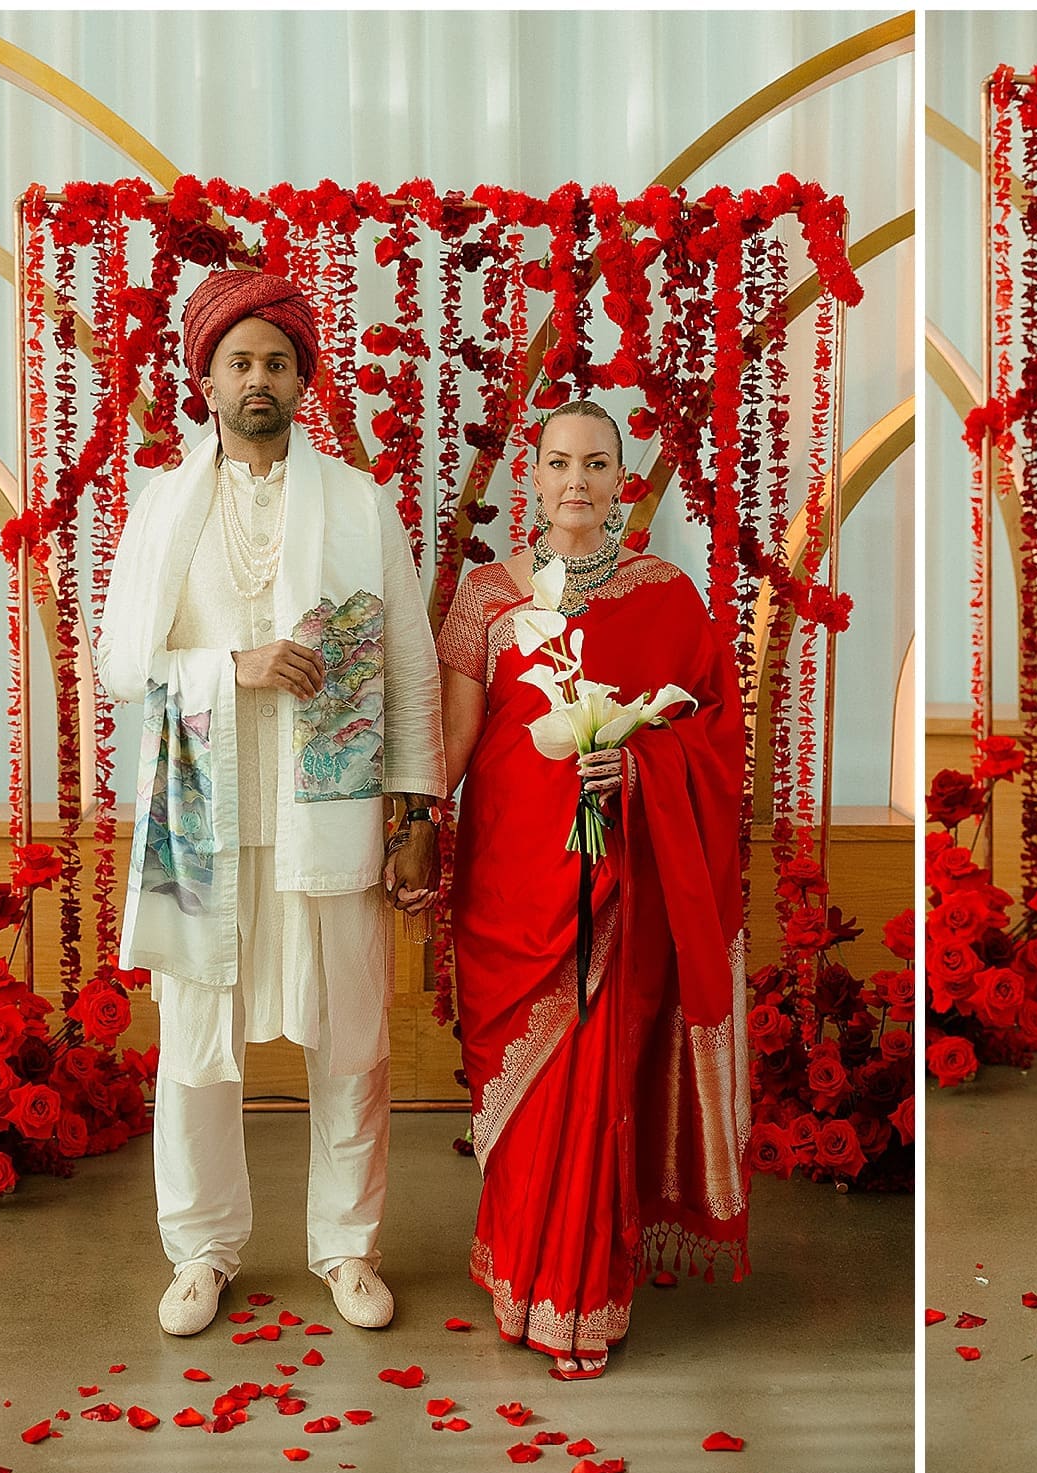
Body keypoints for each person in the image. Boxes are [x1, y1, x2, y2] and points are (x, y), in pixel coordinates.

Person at [98, 269, 445, 1337]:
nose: (259, 379)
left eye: (277, 362)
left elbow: (407, 662)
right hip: (201, 820)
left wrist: (418, 809)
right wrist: (231, 666)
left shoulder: (354, 501)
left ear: (303, 381)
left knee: (350, 1037)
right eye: (239, 361)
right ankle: (200, 1249)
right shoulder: (164, 506)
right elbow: (119, 664)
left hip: (326, 817)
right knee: (199, 1046)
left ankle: (348, 1247)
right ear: (203, 379)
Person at [436, 399, 751, 1376]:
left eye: (597, 463)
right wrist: (390, 824)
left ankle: (581, 1295)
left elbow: (716, 740)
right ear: (530, 477)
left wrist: (643, 759)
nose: (577, 480)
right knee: (525, 1100)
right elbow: (451, 748)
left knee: (595, 1083)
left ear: (622, 481)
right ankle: (518, 1273)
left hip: (622, 891)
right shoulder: (484, 597)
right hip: (508, 887)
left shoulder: (668, 595)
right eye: (559, 462)